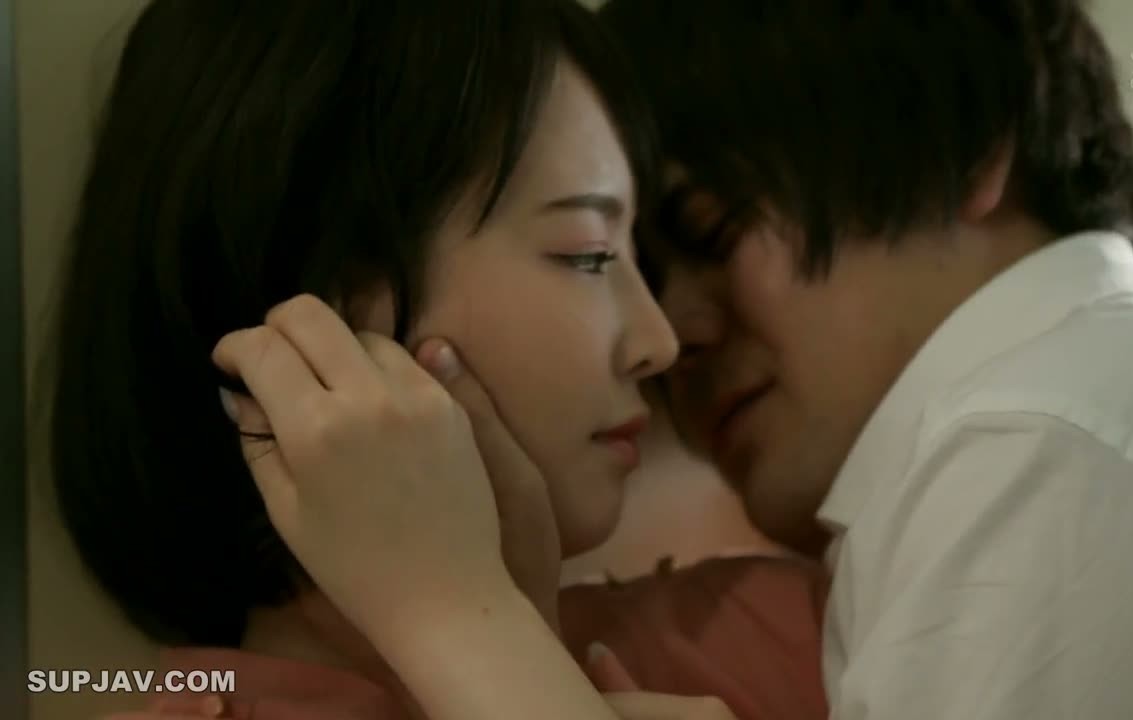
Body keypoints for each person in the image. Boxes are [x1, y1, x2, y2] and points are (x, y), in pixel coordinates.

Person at [46, 1, 827, 719]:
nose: (659, 343)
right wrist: (451, 615)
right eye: (588, 255)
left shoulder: (799, 638)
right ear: (323, 311)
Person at [592, 0, 1133, 717]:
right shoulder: (1114, 421)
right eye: (640, 279)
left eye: (711, 227)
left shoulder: (1034, 454)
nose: (668, 336)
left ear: (966, 148)